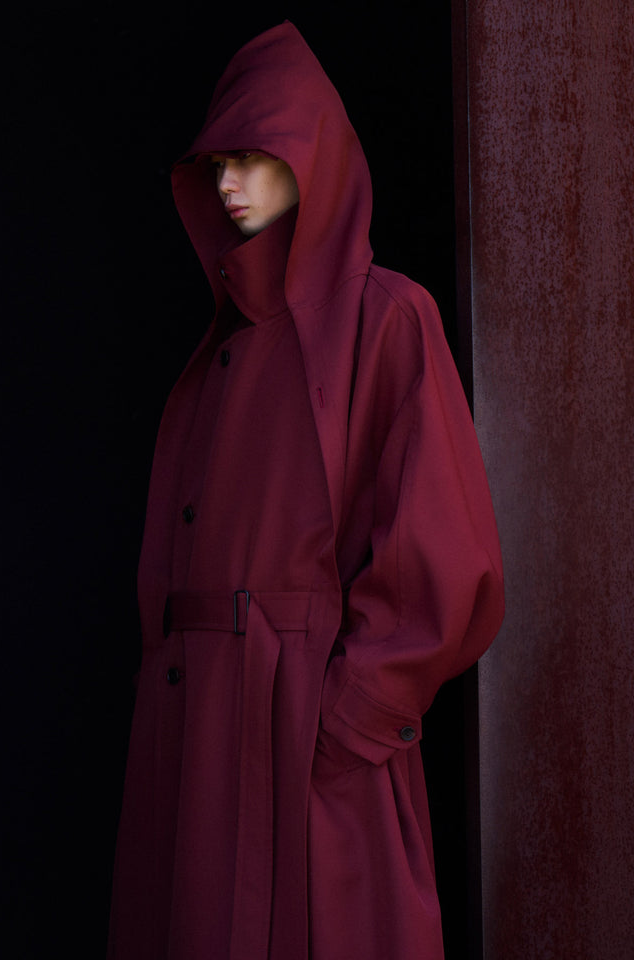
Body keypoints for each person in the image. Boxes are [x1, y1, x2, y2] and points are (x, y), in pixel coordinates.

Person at [108, 22, 504, 960]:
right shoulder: (217, 351)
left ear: (314, 159)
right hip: (197, 734)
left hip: (308, 734)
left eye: (255, 157)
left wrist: (349, 719)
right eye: (218, 163)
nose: (230, 182)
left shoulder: (388, 317)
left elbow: (448, 556)